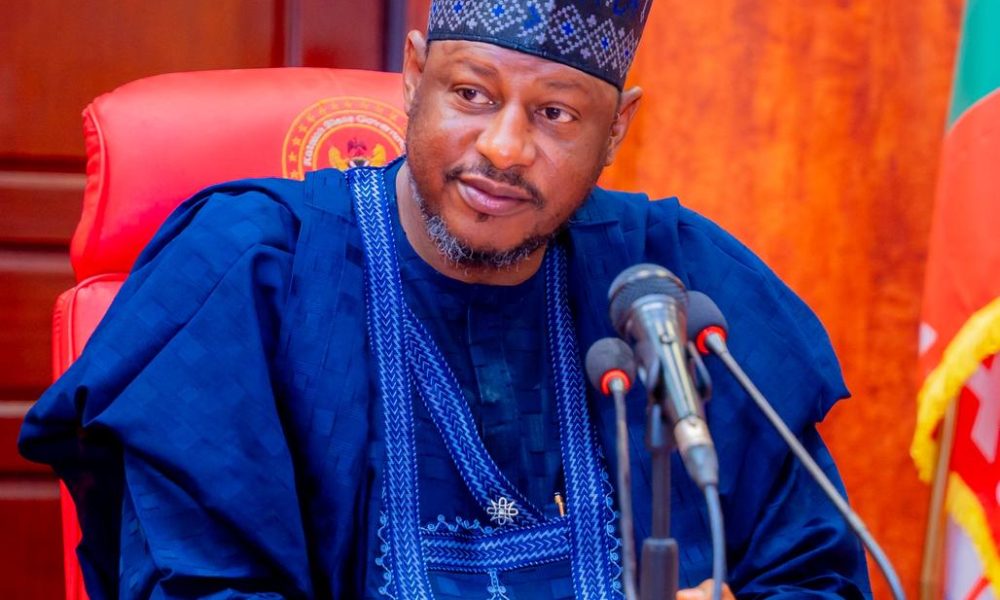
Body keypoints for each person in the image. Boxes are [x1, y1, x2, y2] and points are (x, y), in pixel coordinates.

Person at [20, 1, 872, 598]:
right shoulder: (250, 272)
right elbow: (194, 584)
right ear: (414, 74)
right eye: (471, 94)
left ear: (616, 130)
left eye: (556, 114)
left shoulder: (671, 282)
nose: (503, 148)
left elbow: (813, 573)